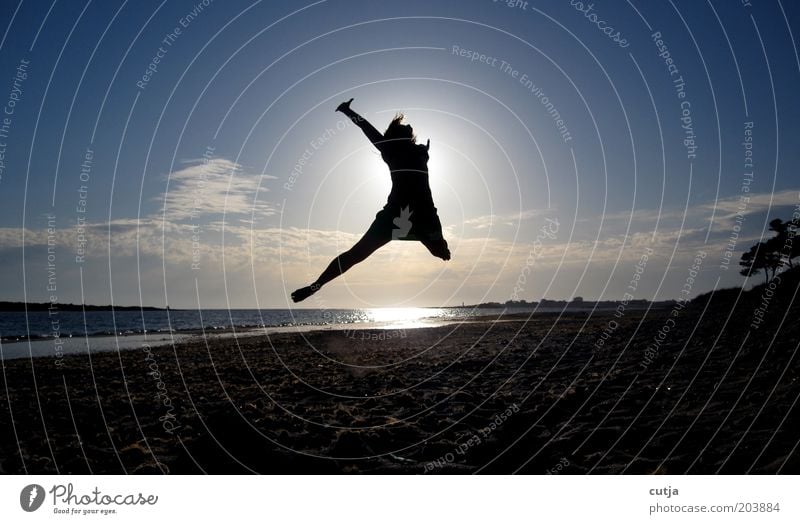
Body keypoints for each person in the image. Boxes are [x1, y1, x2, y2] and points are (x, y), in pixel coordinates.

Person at [291, 98, 450, 302]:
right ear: (397, 137)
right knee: (357, 254)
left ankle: (434, 242)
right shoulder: (391, 150)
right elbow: (365, 127)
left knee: (440, 253)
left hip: (422, 213)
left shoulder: (417, 150)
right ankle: (315, 286)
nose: (409, 127)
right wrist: (348, 112)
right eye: (404, 128)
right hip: (399, 214)